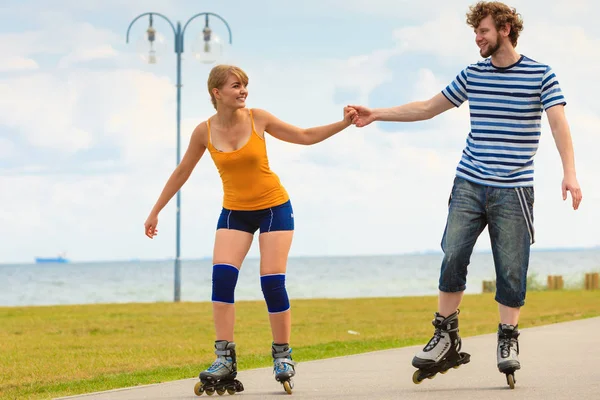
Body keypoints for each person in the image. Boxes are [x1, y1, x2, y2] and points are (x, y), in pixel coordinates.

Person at [350, 1, 582, 386]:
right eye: (476, 32)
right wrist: (376, 114)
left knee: (511, 268)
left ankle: (507, 338)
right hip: (469, 182)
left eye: (483, 31)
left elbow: (559, 123)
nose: (477, 38)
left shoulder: (541, 74)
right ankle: (445, 334)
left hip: (514, 189)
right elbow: (427, 108)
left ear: (505, 29)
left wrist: (569, 174)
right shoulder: (473, 75)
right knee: (453, 253)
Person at [144, 64, 356, 394]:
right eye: (235, 86)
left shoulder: (259, 118)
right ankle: (224, 358)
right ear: (217, 93)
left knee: (271, 281)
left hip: (274, 209)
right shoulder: (204, 131)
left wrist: (343, 123)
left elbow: (304, 136)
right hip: (235, 213)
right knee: (223, 279)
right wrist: (155, 211)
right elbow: (182, 171)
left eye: (244, 85)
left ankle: (283, 355)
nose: (243, 91)